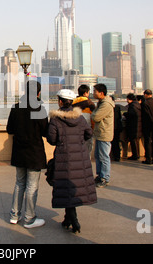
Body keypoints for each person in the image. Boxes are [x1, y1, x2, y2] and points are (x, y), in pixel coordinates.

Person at [47, 89, 96, 233]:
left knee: (66, 185)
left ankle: (73, 219)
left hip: (64, 157)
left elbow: (52, 139)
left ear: (61, 101)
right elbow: (89, 133)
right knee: (73, 186)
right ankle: (69, 218)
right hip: (79, 157)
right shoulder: (80, 118)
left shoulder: (55, 119)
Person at [7, 80, 48, 229]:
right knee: (32, 186)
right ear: (38, 93)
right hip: (34, 152)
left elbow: (10, 129)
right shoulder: (39, 109)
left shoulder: (16, 108)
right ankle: (29, 218)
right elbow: (45, 132)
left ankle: (14, 215)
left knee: (19, 183)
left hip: (19, 152)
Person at [91, 84, 114, 188]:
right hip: (100, 133)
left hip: (105, 133)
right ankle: (100, 175)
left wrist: (93, 113)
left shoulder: (106, 104)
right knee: (98, 156)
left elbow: (95, 117)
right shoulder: (101, 103)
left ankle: (105, 178)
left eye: (95, 91)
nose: (93, 93)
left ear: (101, 93)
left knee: (104, 157)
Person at [72, 84, 96, 154]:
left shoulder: (73, 101)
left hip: (75, 128)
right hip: (87, 127)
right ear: (85, 93)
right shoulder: (89, 102)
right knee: (87, 148)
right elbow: (93, 116)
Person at [123, 93, 141, 160]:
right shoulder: (138, 105)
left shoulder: (132, 106)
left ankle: (135, 155)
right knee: (136, 142)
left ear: (129, 99)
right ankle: (137, 154)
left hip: (133, 126)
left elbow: (131, 115)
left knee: (133, 142)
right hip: (138, 126)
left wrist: (125, 114)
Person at [110, 96, 123, 161]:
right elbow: (120, 117)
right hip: (117, 127)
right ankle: (117, 156)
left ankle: (114, 156)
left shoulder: (108, 108)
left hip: (111, 127)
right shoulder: (117, 107)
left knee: (112, 143)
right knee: (116, 142)